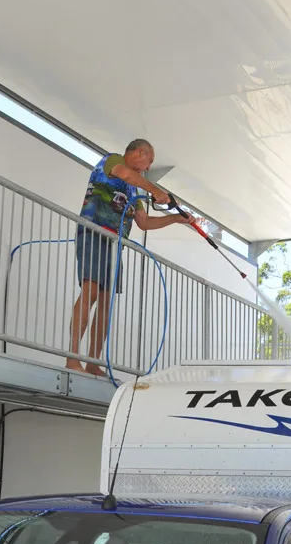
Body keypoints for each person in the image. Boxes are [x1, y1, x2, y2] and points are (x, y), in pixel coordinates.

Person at [66, 139, 195, 376]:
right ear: (139, 152)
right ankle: (73, 358)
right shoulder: (112, 160)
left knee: (106, 301)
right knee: (90, 291)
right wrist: (155, 190)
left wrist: (176, 219)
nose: (147, 166)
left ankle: (94, 362)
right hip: (94, 232)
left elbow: (144, 223)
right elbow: (125, 174)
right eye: (150, 160)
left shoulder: (135, 190)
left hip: (115, 244)